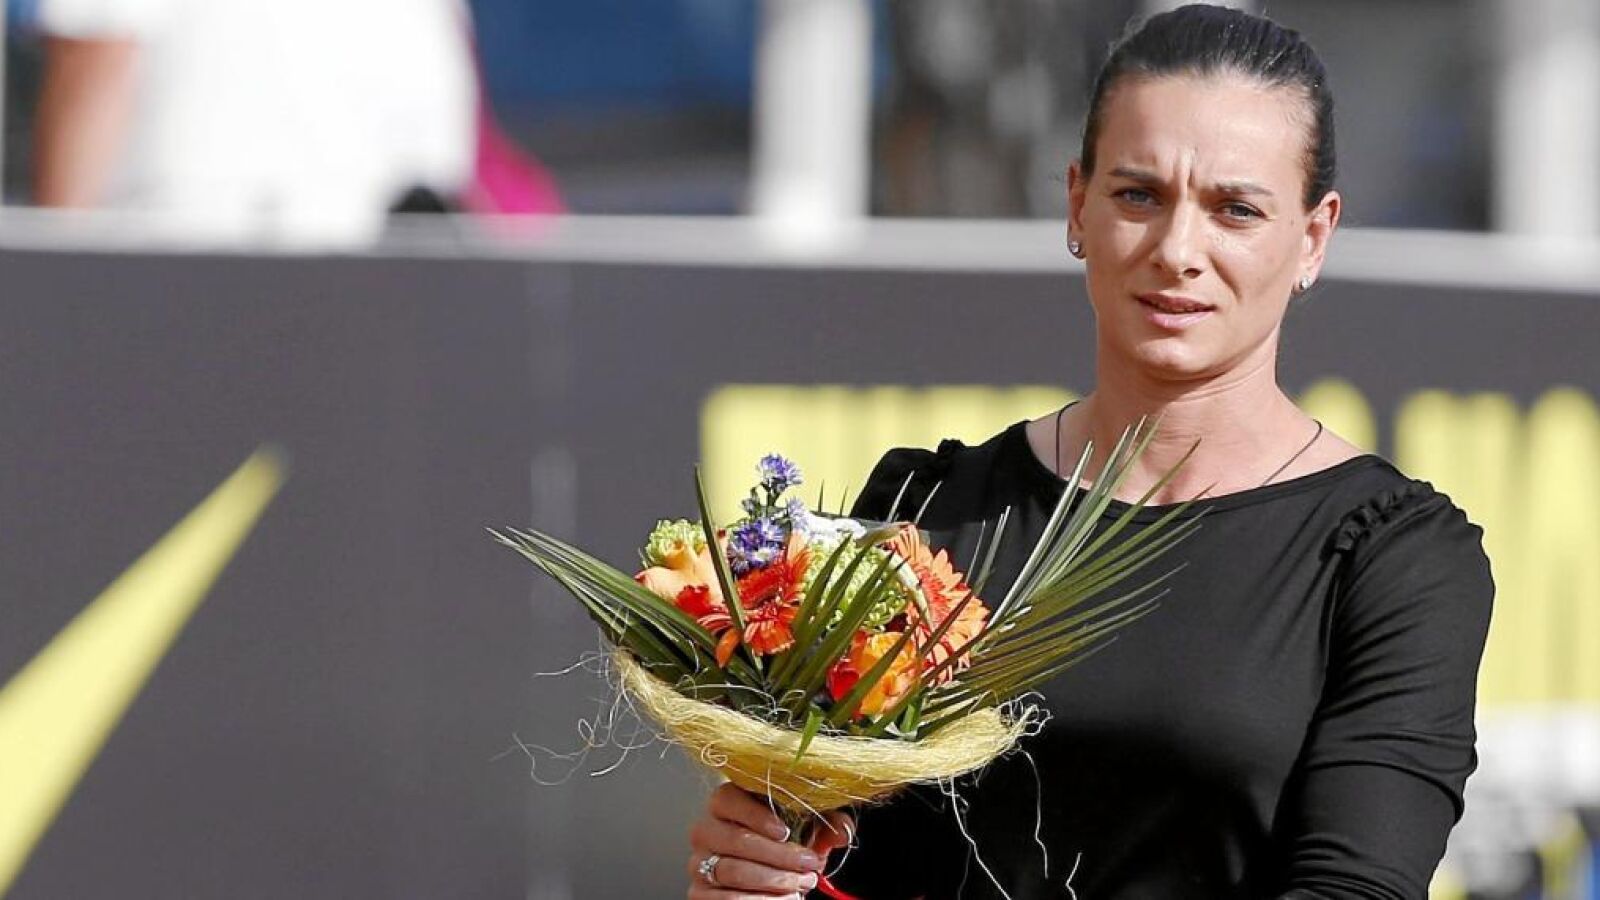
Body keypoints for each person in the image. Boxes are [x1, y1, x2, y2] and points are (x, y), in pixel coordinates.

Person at [684, 5, 1495, 899]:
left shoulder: (1391, 558)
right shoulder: (926, 512)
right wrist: (752, 871)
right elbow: (838, 859)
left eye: (1235, 210)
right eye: (1139, 196)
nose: (1177, 251)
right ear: (1078, 203)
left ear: (1312, 238)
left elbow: (1355, 889)